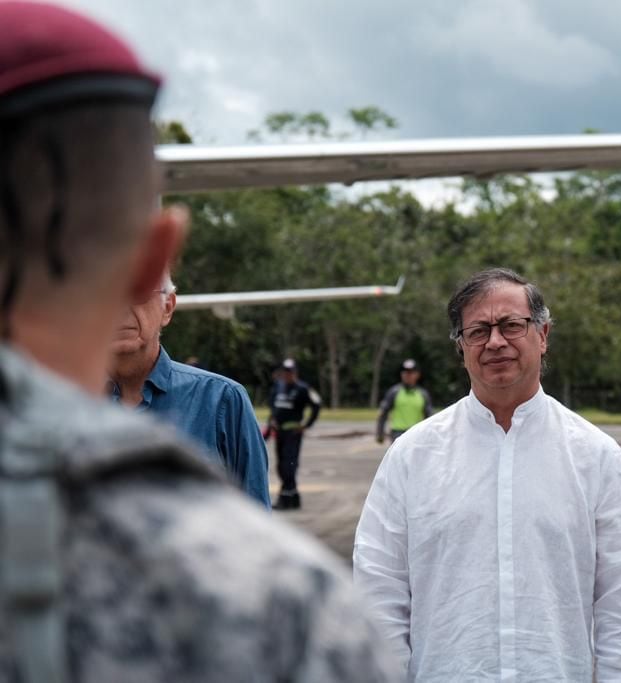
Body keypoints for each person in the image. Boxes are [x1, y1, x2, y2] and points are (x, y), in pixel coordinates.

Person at [0, 3, 397, 681]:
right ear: (158, 255)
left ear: (166, 296)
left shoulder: (220, 400)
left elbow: (256, 496)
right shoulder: (287, 612)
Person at [354, 268, 621, 681]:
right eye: (478, 331)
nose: (495, 342)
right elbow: (379, 587)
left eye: (512, 325)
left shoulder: (595, 456)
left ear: (542, 335)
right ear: (461, 347)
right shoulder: (413, 456)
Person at [109, 273, 271, 507]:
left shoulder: (222, 401)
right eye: (106, 296)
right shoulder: (68, 404)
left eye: (139, 292)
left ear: (168, 307)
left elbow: (256, 519)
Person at [267, 358, 321, 510]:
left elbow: (316, 405)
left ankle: (285, 498)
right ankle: (294, 497)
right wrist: (271, 421)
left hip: (293, 432)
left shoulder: (303, 389)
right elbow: (273, 406)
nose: (287, 375)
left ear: (295, 373)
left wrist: (306, 425)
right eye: (285, 372)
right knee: (280, 465)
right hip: (280, 432)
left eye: (290, 372)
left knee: (288, 466)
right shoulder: (278, 387)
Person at [375, 358, 433, 443]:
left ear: (417, 374)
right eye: (405, 372)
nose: (407, 375)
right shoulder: (394, 392)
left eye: (411, 372)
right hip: (397, 433)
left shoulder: (423, 394)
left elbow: (429, 417)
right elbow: (383, 413)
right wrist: (380, 433)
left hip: (416, 433)